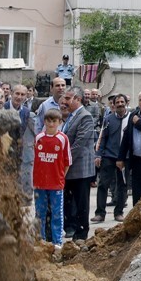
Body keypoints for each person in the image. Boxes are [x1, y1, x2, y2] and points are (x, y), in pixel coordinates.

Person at [33, 108, 70, 256]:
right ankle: (41, 240)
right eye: (48, 121)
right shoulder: (39, 138)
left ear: (59, 122)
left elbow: (67, 162)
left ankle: (57, 242)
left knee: (57, 213)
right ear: (44, 122)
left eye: (54, 121)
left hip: (56, 183)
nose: (51, 124)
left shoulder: (62, 139)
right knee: (40, 213)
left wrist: (60, 177)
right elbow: (36, 161)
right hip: (40, 183)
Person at [60, 89, 95, 242]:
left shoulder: (85, 116)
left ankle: (81, 233)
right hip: (69, 168)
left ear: (78, 99)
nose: (65, 101)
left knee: (81, 202)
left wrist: (64, 160)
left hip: (80, 168)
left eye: (68, 98)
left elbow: (79, 143)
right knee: (69, 200)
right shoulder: (70, 117)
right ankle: (71, 228)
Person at [94, 93, 129, 222]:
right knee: (103, 184)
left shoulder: (131, 118)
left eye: (122, 102)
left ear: (126, 103)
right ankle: (100, 213)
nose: (120, 104)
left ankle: (119, 212)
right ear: (113, 105)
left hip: (124, 157)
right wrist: (98, 154)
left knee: (122, 185)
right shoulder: (108, 119)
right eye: (117, 102)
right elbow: (102, 138)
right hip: (109, 155)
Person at [9, 84, 36, 200]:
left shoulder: (27, 113)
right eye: (17, 93)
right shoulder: (2, 108)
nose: (19, 97)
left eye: (23, 94)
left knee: (25, 180)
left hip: (23, 153)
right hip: (6, 152)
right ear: (11, 94)